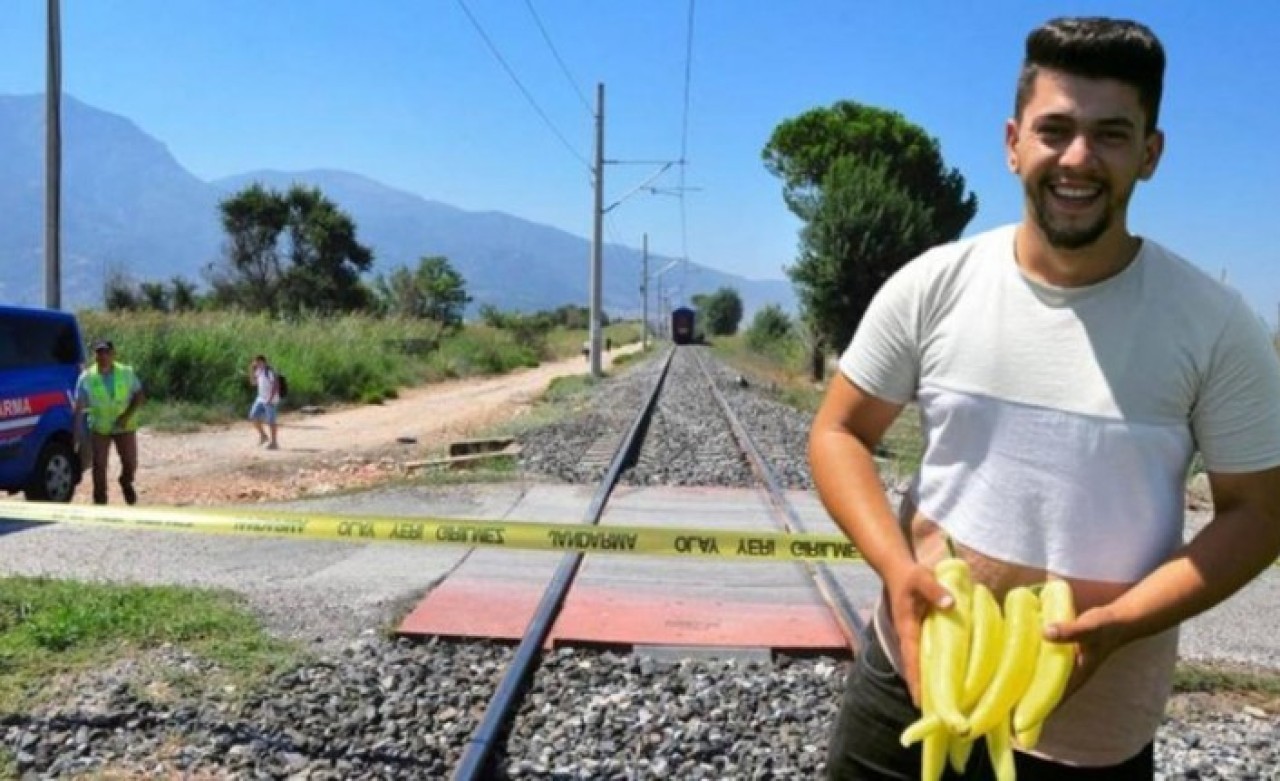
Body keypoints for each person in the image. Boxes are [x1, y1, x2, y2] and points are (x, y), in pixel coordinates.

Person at [811, 16, 1280, 779]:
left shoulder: (1217, 325)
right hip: (911, 683)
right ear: (1012, 142)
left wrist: (1124, 621)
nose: (1078, 158)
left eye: (1111, 135)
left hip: (1092, 731)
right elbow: (838, 433)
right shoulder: (933, 284)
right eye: (1054, 129)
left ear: (1151, 153)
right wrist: (897, 570)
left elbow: (1259, 514)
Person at [73, 340, 146, 505]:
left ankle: (126, 481)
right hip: (100, 428)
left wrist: (126, 416)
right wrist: (76, 435)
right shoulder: (86, 377)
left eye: (106, 352)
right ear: (95, 356)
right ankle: (100, 500)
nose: (102, 356)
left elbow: (139, 396)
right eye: (99, 353)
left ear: (113, 354)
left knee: (130, 462)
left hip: (124, 426)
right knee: (99, 465)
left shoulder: (126, 372)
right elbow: (78, 407)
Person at [248, 355, 281, 450]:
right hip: (261, 398)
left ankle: (274, 443)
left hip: (270, 399)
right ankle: (263, 436)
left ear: (264, 362)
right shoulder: (258, 371)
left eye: (259, 362)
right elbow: (253, 383)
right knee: (253, 416)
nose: (257, 364)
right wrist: (251, 371)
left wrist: (270, 398)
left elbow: (276, 385)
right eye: (256, 362)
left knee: (271, 421)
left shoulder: (269, 372)